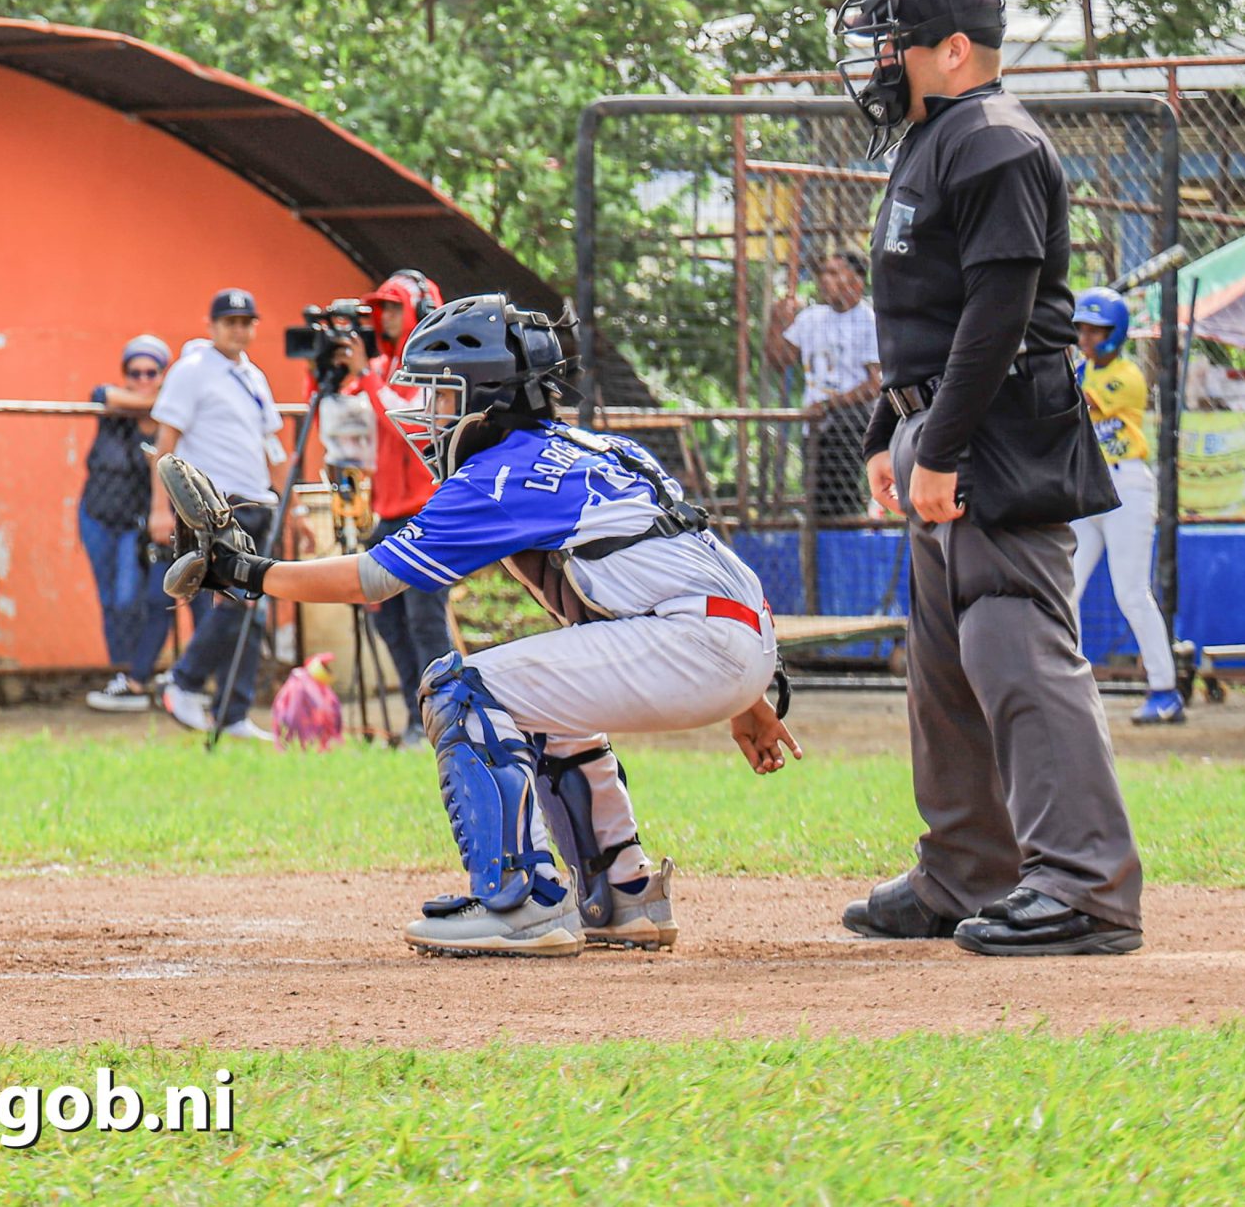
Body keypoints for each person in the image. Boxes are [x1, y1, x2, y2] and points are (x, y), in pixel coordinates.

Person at [157, 294, 799, 955]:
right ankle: (622, 895)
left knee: (460, 688)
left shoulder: (502, 472)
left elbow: (374, 577)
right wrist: (747, 692)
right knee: (537, 705)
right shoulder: (602, 448)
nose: (428, 412)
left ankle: (520, 902)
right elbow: (679, 563)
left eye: (441, 394)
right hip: (738, 638)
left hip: (695, 643)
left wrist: (248, 571)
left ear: (485, 397)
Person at [833, 0, 1143, 957]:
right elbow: (927, 312)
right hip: (945, 424)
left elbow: (999, 312)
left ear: (955, 49)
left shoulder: (995, 141)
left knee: (1015, 644)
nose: (882, 62)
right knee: (945, 665)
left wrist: (943, 441)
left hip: (996, 430)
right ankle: (966, 869)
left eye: (897, 44)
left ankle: (1085, 886)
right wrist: (891, 429)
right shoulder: (941, 137)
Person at [149, 289, 285, 741]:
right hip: (215, 508)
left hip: (258, 502)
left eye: (246, 322)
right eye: (230, 322)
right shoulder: (191, 371)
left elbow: (272, 445)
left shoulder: (253, 375)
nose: (239, 331)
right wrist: (160, 508)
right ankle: (184, 681)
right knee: (235, 603)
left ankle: (232, 711)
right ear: (211, 326)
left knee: (254, 607)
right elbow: (165, 445)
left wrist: (292, 503)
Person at [1067, 289, 1184, 726]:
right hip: (1086, 488)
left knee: (1131, 593)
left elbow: (1083, 402)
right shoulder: (1079, 370)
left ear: (1114, 333)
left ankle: (1165, 690)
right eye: (1082, 329)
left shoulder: (1127, 375)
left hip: (1125, 486)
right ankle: (1068, 687)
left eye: (1095, 331)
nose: (1086, 338)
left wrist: (1055, 364)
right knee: (1063, 589)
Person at [347, 269, 451, 746]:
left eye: (392, 307)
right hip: (387, 514)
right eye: (380, 309)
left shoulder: (433, 365)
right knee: (386, 616)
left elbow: (409, 424)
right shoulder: (382, 366)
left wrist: (366, 376)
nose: (383, 317)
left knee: (424, 621)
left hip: (423, 513)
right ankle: (417, 718)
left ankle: (446, 721)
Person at [80, 335, 174, 712]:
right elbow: (101, 395)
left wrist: (163, 405)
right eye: (135, 373)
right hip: (97, 514)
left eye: (151, 372)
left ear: (164, 374)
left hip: (138, 522)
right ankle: (121, 674)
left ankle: (138, 671)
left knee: (129, 597)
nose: (143, 379)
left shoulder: (170, 421)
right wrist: (159, 401)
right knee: (108, 599)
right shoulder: (114, 406)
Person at [765, 253, 882, 517]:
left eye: (834, 273)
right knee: (817, 498)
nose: (824, 279)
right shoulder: (812, 318)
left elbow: (875, 383)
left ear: (856, 281)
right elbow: (779, 361)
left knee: (842, 496)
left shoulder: (868, 320)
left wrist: (830, 404)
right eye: (822, 273)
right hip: (816, 421)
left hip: (850, 420)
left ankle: (851, 527)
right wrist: (778, 319)